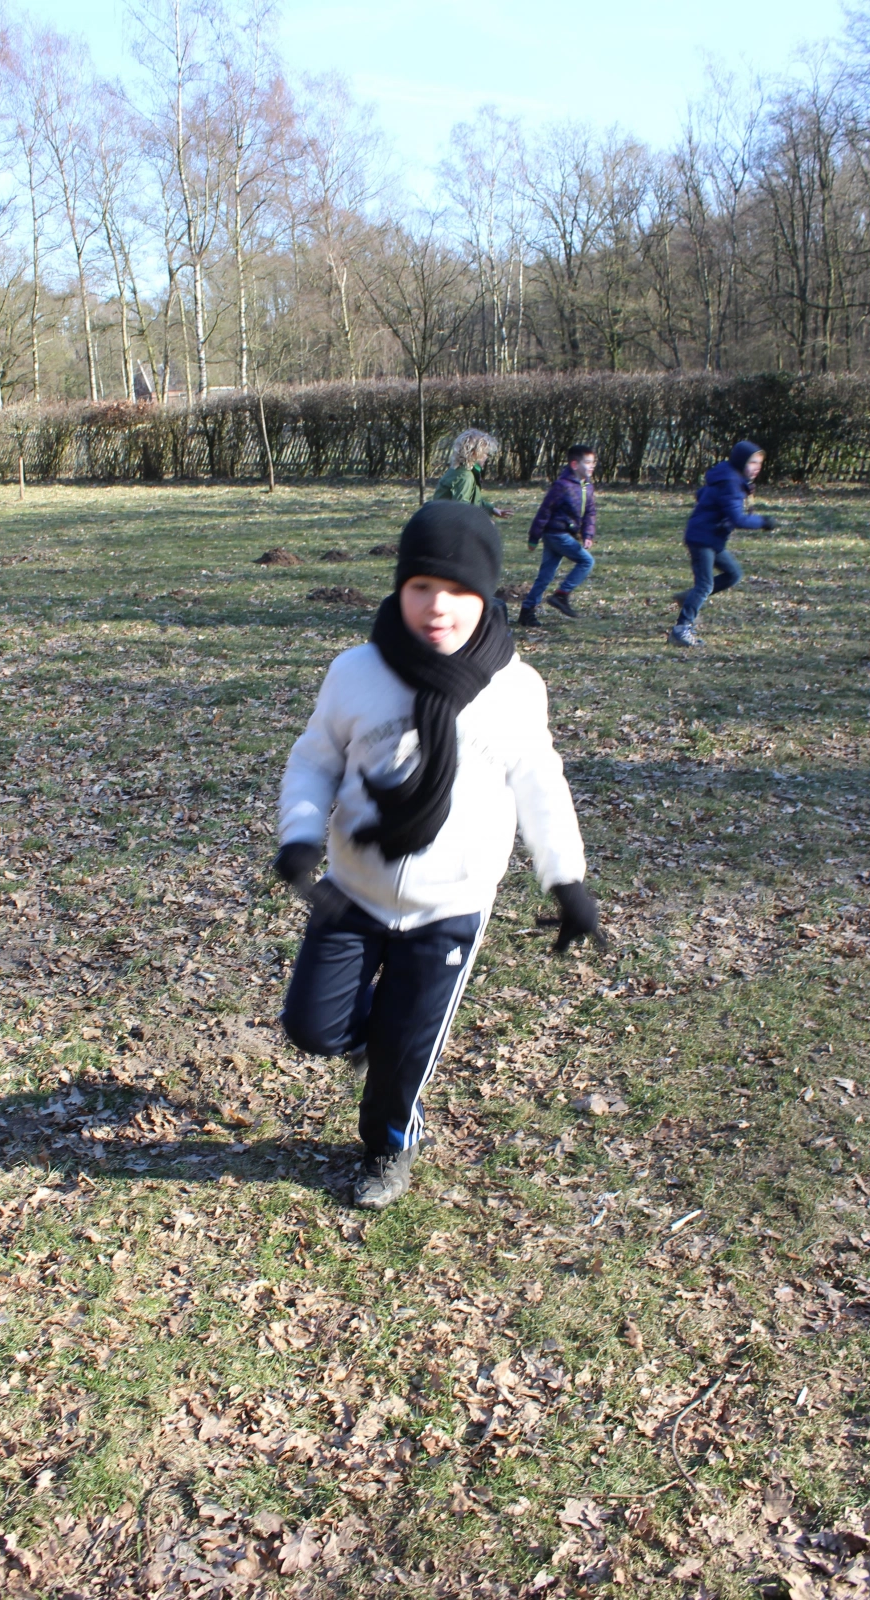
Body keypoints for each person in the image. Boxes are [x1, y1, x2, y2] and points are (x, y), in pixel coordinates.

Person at [273, 500, 602, 1212]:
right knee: (312, 1028)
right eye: (421, 586)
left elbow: (542, 785)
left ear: (487, 596)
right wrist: (299, 836)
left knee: (403, 1056)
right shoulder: (357, 672)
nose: (438, 607)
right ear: (399, 588)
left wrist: (566, 879)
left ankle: (388, 1147)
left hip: (450, 909)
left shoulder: (514, 689)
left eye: (458, 591)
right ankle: (367, 1041)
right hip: (352, 890)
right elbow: (313, 761)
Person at [668, 440, 776, 648]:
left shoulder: (727, 477)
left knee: (733, 574)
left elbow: (702, 495)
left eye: (759, 463)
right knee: (705, 584)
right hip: (703, 539)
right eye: (752, 462)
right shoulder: (731, 483)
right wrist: (763, 522)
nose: (757, 468)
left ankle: (688, 598)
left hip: (712, 538)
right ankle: (680, 630)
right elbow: (738, 519)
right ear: (740, 461)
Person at [517, 444, 597, 624]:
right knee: (587, 561)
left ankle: (527, 611)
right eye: (588, 462)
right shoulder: (562, 486)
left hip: (566, 534)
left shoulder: (587, 486)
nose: (592, 466)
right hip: (556, 534)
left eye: (593, 462)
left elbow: (590, 512)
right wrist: (533, 537)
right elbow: (545, 511)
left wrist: (588, 535)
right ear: (575, 465)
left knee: (545, 576)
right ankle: (561, 595)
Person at [432, 429, 511, 518]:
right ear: (475, 453)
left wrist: (491, 509)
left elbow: (473, 501)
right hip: (445, 525)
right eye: (485, 453)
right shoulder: (465, 476)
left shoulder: (457, 470)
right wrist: (483, 523)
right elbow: (461, 508)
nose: (486, 457)